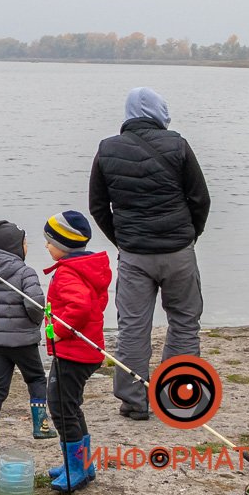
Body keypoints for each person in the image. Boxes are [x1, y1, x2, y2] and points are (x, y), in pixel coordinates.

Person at [89, 86, 211, 420]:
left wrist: (123, 241)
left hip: (134, 255)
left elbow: (98, 207)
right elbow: (200, 199)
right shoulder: (178, 145)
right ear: (159, 111)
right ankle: (177, 398)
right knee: (185, 323)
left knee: (132, 328)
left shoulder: (107, 149)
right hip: (179, 251)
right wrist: (189, 236)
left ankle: (134, 401)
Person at [42, 210, 111, 492]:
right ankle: (83, 463)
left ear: (64, 244)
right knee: (70, 406)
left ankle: (77, 468)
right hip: (81, 351)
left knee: (60, 407)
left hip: (74, 353)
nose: (46, 246)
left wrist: (59, 330)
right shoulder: (85, 267)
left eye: (49, 241)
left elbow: (80, 307)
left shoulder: (70, 272)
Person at [0, 219, 57, 452]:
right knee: (35, 379)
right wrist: (34, 322)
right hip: (24, 340)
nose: (27, 246)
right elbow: (35, 305)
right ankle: (40, 426)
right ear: (15, 247)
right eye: (25, 242)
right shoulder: (26, 272)